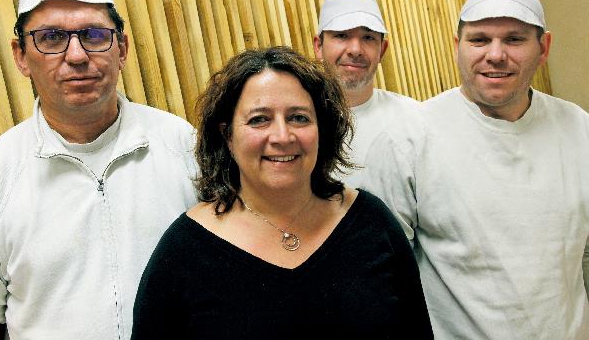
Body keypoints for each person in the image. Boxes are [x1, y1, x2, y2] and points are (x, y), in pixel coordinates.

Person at [131, 46, 433, 339]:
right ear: (227, 136)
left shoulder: (372, 222)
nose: (282, 136)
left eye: (299, 117)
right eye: (259, 119)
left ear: (321, 129)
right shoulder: (184, 251)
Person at [363, 0, 589, 339]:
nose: (495, 54)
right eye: (479, 40)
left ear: (544, 47)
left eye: (514, 39)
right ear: (457, 46)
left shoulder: (579, 130)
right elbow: (380, 276)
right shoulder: (408, 139)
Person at [0, 0, 198, 340]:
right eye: (51, 38)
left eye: (94, 35)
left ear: (122, 48)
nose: (77, 56)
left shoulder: (182, 145)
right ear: (21, 55)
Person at [312, 0, 422, 187]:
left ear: (382, 50)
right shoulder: (294, 122)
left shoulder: (414, 120)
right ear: (318, 46)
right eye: (342, 35)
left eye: (368, 38)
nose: (355, 50)